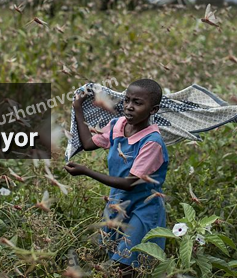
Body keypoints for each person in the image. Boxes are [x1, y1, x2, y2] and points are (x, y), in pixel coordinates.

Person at [64, 79, 169, 278]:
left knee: (125, 266)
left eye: (138, 103)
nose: (129, 106)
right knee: (110, 255)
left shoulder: (152, 142)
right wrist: (78, 107)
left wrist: (86, 171)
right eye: (127, 100)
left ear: (153, 109)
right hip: (117, 204)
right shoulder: (118, 125)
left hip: (143, 208)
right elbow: (87, 143)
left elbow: (129, 183)